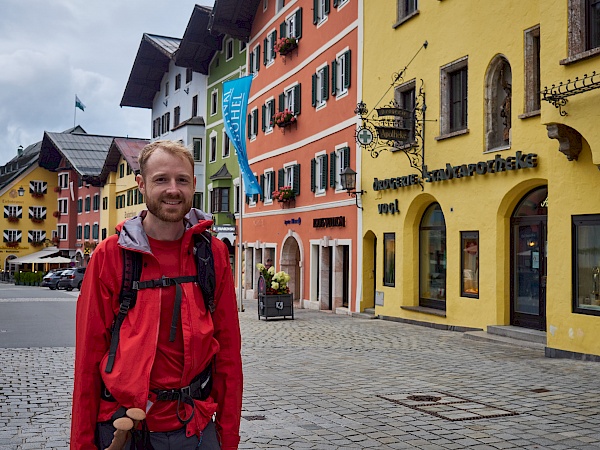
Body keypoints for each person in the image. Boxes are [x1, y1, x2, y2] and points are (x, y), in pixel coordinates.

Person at [70, 140, 242, 449]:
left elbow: (228, 356)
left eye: (182, 180)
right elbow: (87, 361)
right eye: (161, 179)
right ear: (141, 184)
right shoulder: (111, 255)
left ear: (193, 184)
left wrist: (228, 438)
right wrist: (82, 444)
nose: (173, 189)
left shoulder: (212, 254)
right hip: (124, 428)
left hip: (196, 427)